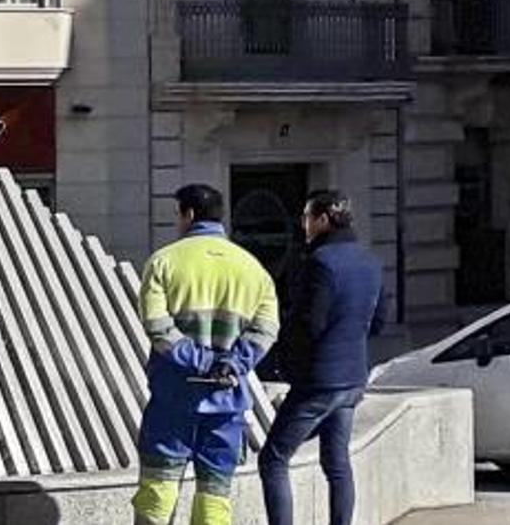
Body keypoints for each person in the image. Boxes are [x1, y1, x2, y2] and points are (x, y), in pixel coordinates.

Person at [132, 184, 280, 525]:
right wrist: (232, 362)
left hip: (173, 396)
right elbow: (266, 330)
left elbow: (157, 327)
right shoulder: (253, 269)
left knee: (158, 492)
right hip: (227, 402)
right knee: (215, 498)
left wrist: (199, 360)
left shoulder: (163, 262)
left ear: (189, 214)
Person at [260, 190, 388, 525]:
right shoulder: (369, 260)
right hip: (353, 378)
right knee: (337, 463)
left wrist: (282, 362)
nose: (303, 224)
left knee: (273, 459)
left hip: (319, 381)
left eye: (306, 217)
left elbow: (308, 324)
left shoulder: (320, 262)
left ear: (322, 219)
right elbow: (379, 322)